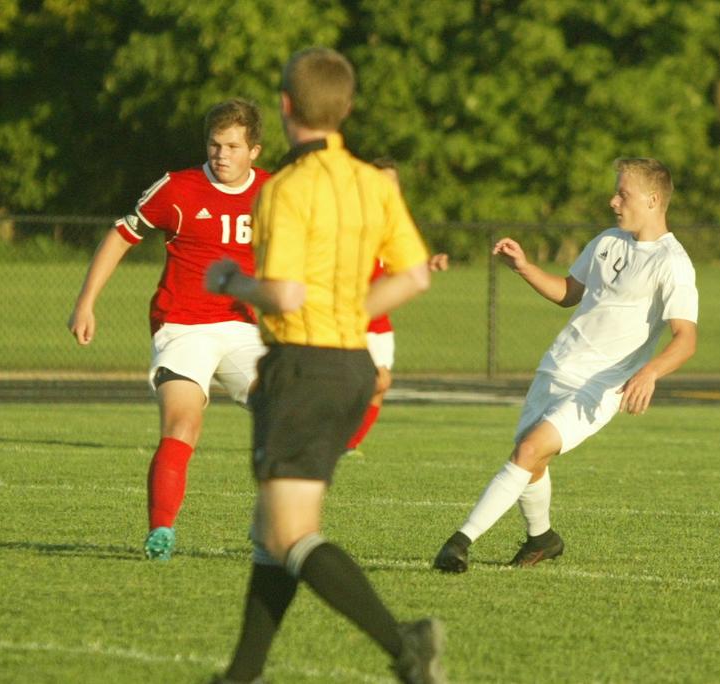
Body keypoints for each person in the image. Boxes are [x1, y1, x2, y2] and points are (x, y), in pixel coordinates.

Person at [204, 48, 447, 684]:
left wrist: (230, 278)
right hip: (352, 365)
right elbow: (416, 274)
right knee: (271, 532)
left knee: (290, 534)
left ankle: (405, 642)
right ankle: (240, 675)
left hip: (304, 365)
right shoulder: (372, 181)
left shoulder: (285, 188)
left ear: (285, 107)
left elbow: (282, 293)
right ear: (345, 109)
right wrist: (353, 308)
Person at [433, 157, 698, 573]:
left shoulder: (672, 262)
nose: (613, 201)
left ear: (651, 199)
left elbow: (686, 337)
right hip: (556, 365)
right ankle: (543, 539)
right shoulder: (608, 241)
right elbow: (570, 293)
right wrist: (525, 268)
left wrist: (649, 372)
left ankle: (458, 542)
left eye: (622, 193)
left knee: (528, 450)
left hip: (600, 385)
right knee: (531, 461)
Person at [67, 98, 270, 562]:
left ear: (254, 151)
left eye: (233, 146)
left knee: (283, 414)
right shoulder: (177, 189)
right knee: (183, 423)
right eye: (215, 145)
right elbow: (122, 235)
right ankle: (161, 531)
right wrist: (85, 302)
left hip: (244, 330)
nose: (221, 154)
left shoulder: (277, 192)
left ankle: (271, 520)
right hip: (183, 328)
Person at [344, 158, 449, 456]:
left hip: (381, 322)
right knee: (378, 379)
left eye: (393, 181)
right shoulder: (353, 223)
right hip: (355, 318)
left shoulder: (396, 225)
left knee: (379, 388)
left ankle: (349, 444)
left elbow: (401, 266)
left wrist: (428, 264)